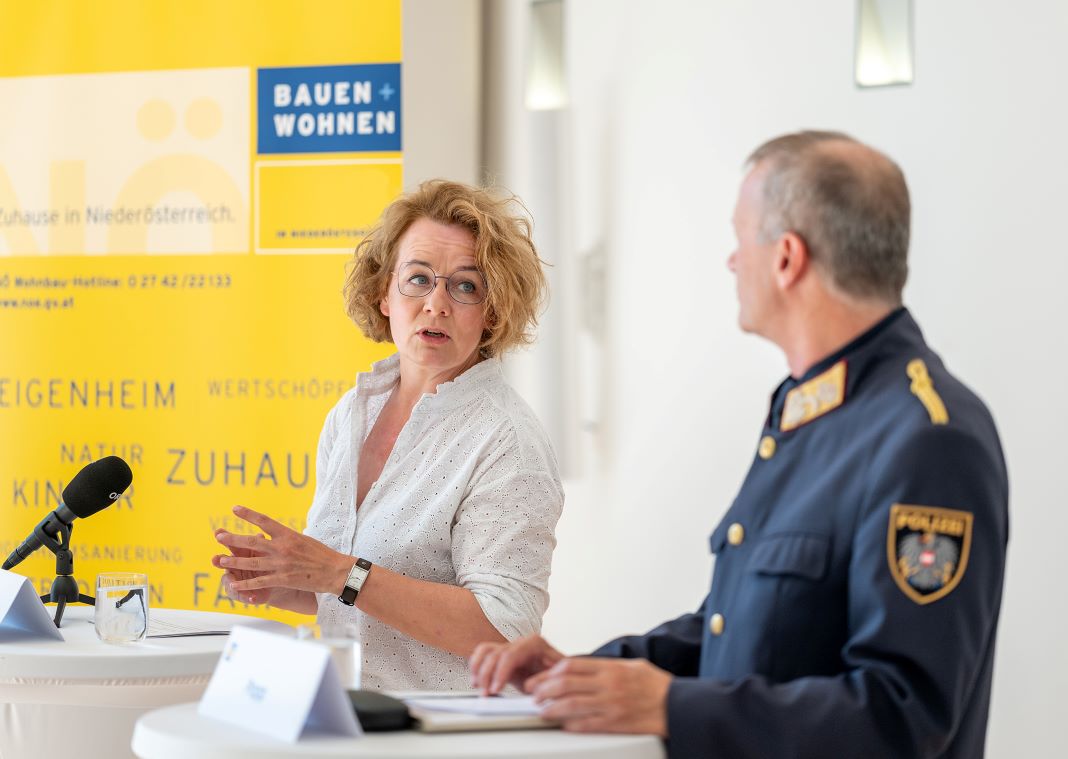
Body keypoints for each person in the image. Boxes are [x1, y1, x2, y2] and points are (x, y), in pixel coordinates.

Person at [470, 131, 1008, 758]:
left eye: (738, 238)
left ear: (786, 258)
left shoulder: (928, 437)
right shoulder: (807, 410)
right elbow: (745, 634)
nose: (730, 262)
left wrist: (669, 706)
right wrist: (590, 673)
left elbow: (903, 715)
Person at [213, 179, 563, 691]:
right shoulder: (353, 411)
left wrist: (339, 574)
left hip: (449, 736)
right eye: (418, 279)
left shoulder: (506, 440)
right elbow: (346, 594)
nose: (437, 304)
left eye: (465, 286)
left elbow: (506, 630)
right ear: (383, 293)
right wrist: (285, 581)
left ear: (492, 312)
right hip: (352, 716)